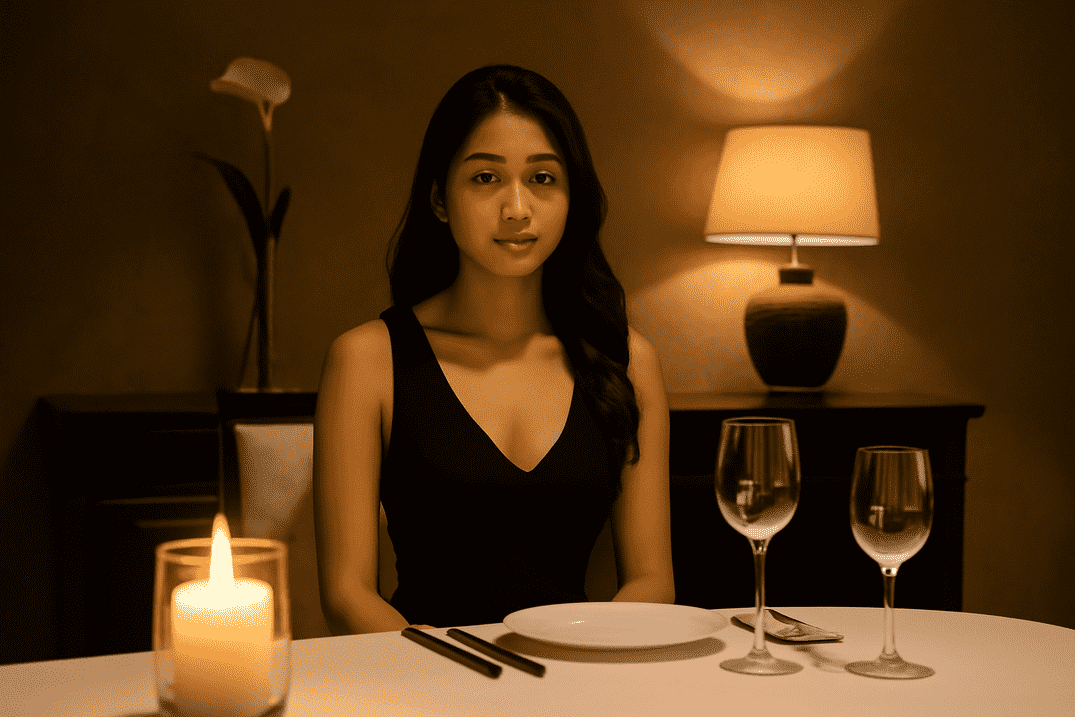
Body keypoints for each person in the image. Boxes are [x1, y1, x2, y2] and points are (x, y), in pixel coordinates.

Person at [313, 65, 674, 634]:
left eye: (543, 179)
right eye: (485, 179)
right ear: (439, 198)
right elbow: (347, 595)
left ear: (571, 197)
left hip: (576, 681)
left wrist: (582, 668)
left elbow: (652, 582)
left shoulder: (626, 359)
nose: (516, 209)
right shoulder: (367, 360)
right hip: (425, 683)